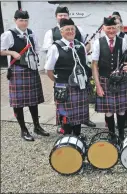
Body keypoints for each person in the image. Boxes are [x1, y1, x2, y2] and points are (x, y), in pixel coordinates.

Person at [43, 6, 95, 128]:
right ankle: (67, 138)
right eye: (67, 29)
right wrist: (58, 82)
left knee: (78, 116)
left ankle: (77, 135)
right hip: (64, 86)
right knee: (66, 117)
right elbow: (48, 70)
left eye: (72, 29)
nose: (70, 31)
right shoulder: (55, 47)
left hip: (79, 85)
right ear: (61, 32)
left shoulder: (80, 45)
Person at [0, 10, 49, 141]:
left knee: (33, 101)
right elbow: (1, 50)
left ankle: (37, 126)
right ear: (15, 20)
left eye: (26, 20)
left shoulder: (31, 34)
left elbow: (37, 48)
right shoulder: (9, 34)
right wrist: (12, 53)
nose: (24, 23)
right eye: (21, 20)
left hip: (31, 70)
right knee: (18, 103)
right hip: (17, 71)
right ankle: (23, 130)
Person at [92, 17, 127, 141]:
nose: (111, 30)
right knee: (109, 112)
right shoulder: (98, 42)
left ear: (117, 28)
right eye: (108, 28)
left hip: (120, 80)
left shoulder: (123, 41)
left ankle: (121, 134)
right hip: (105, 80)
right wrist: (98, 86)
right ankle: (112, 135)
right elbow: (94, 65)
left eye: (113, 28)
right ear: (104, 28)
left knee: (121, 111)